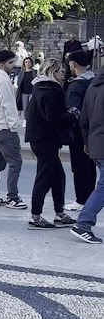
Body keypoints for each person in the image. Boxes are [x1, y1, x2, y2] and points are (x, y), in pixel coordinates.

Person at [25, 59, 75, 229]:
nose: (63, 73)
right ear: (52, 72)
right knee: (45, 177)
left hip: (42, 139)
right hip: (44, 139)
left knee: (57, 175)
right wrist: (71, 115)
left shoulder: (42, 87)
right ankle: (35, 216)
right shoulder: (49, 90)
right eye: (60, 70)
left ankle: (59, 213)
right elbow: (54, 117)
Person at [0, 49, 27, 209]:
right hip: (5, 127)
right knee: (15, 162)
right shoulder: (3, 81)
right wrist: (14, 126)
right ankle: (12, 197)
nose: (14, 65)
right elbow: (8, 106)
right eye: (11, 63)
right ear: (2, 64)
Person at [71, 63, 104, 243]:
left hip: (94, 141)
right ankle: (83, 223)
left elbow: (84, 118)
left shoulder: (92, 86)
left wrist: (86, 141)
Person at [65, 49, 96, 211]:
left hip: (79, 133)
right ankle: (91, 198)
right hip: (96, 130)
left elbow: (73, 111)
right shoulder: (95, 81)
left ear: (73, 64)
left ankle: (81, 199)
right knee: (90, 166)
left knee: (79, 166)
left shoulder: (76, 86)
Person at [16, 57, 35, 122]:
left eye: (29, 62)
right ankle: (25, 120)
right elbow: (19, 82)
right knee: (25, 107)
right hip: (24, 92)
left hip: (32, 92)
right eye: (26, 62)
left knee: (32, 107)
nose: (27, 63)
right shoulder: (22, 73)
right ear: (24, 63)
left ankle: (31, 120)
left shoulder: (34, 72)